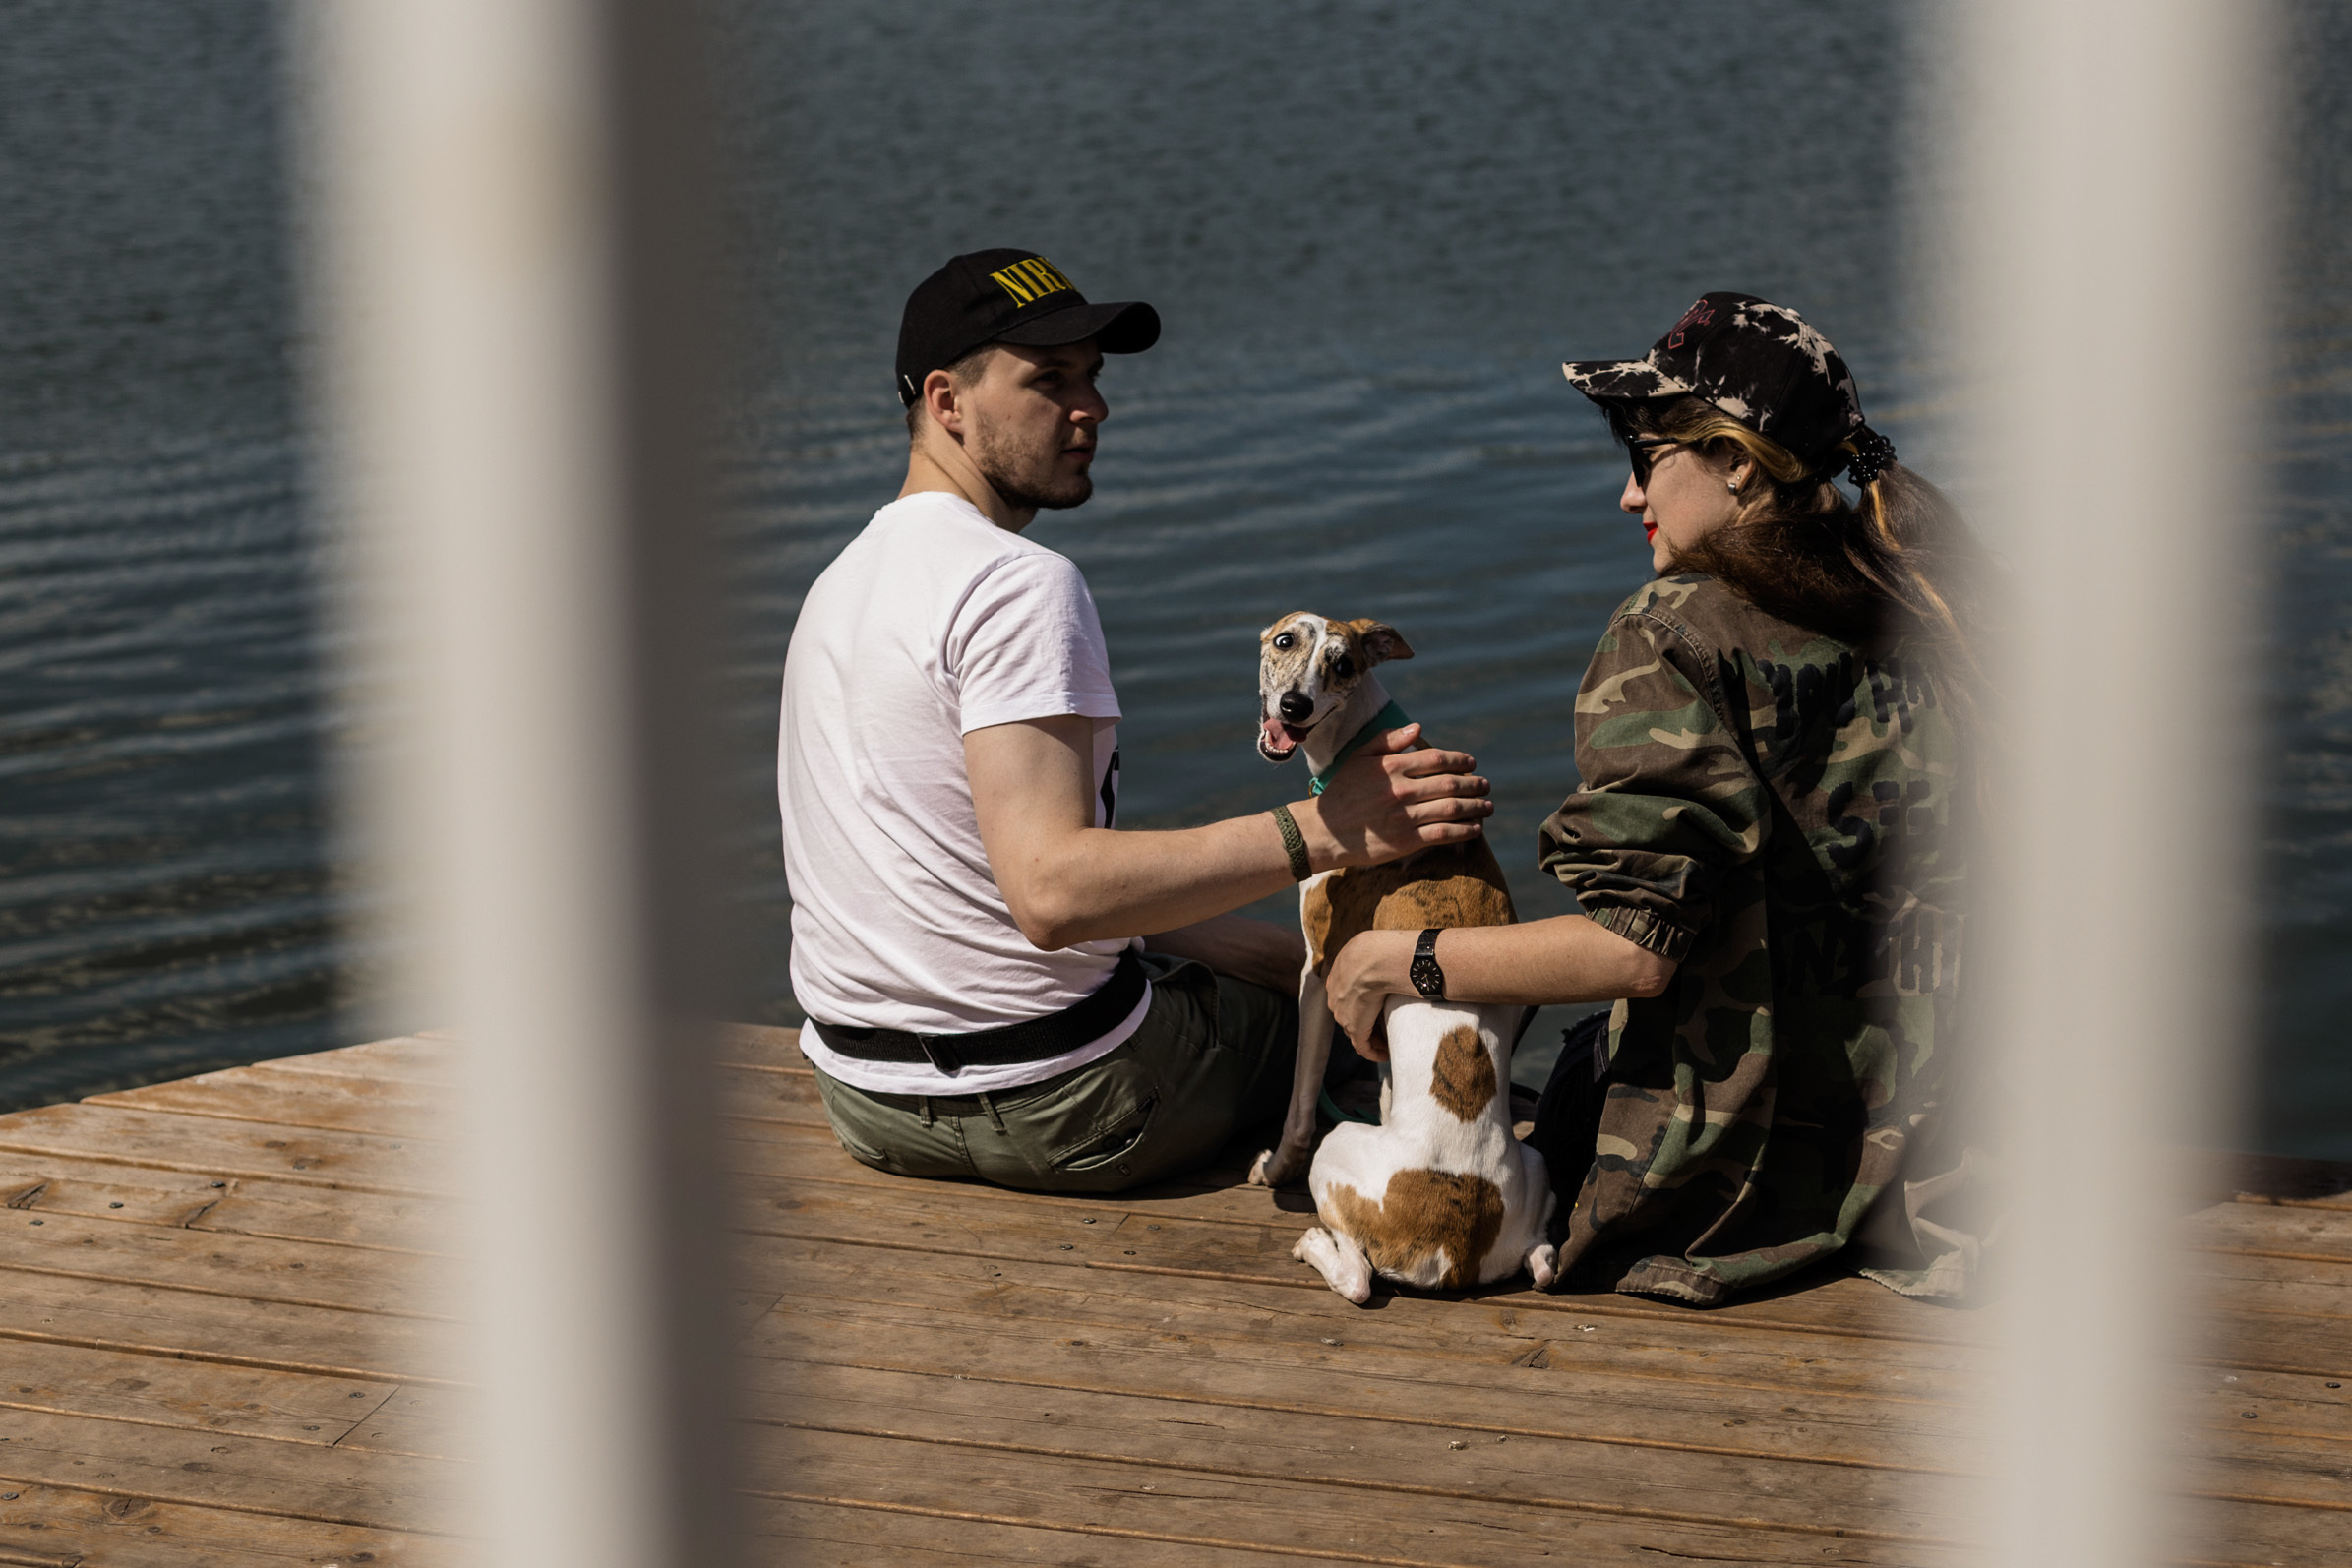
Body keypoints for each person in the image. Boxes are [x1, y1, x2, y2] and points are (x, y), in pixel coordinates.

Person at [779, 249, 1493, 1193]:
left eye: (1093, 378)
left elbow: (985, 892)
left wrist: (1295, 955)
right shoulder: (1018, 585)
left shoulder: (838, 585)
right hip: (1072, 1105)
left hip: (866, 1102)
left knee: (1298, 973)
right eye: (1049, 381)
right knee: (1358, 1030)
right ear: (948, 402)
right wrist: (1328, 828)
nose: (1093, 409)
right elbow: (1053, 894)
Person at [1324, 292, 1989, 1304]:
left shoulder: (1673, 631)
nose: (1628, 498)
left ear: (1733, 461)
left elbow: (1635, 949)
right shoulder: (1929, 598)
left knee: (1489, 1086)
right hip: (1943, 1153)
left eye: (1645, 458)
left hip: (1739, 1188)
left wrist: (1397, 960)